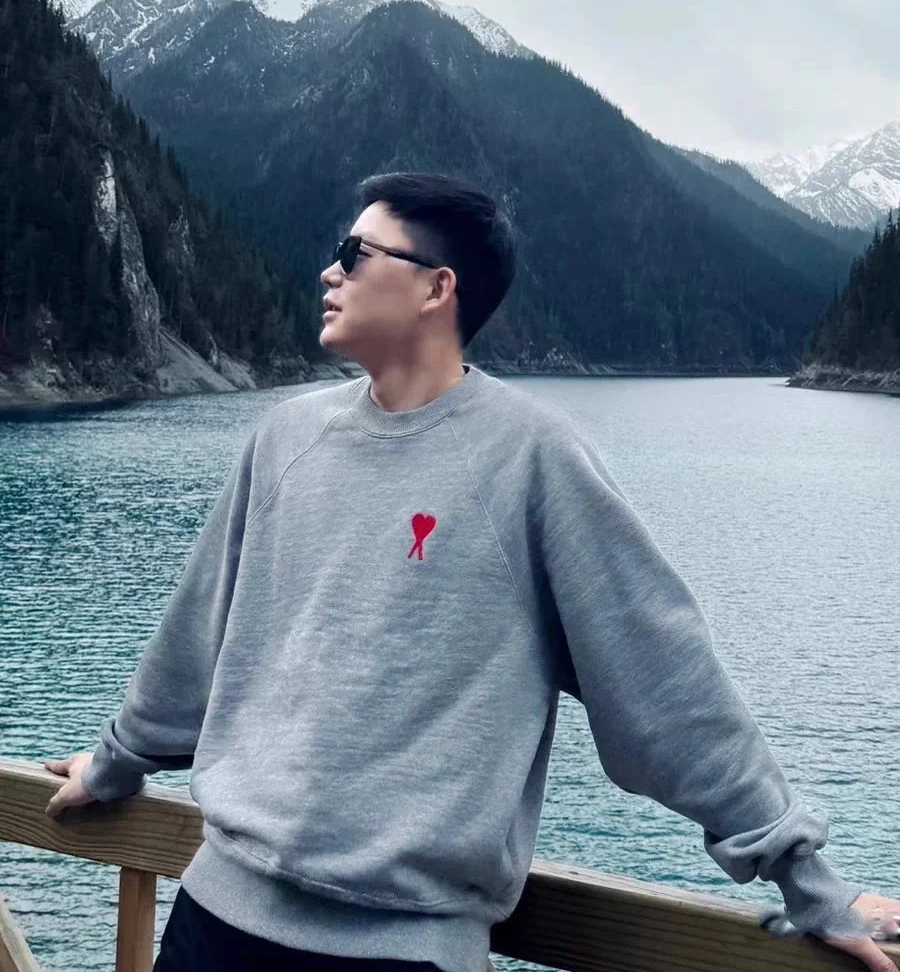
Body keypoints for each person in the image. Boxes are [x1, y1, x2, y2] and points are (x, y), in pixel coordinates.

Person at [45, 172, 898, 972]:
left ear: (435, 288)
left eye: (354, 254)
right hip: (213, 922)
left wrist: (807, 880)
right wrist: (114, 763)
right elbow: (196, 638)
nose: (328, 272)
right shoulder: (284, 439)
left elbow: (666, 688)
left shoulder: (531, 458)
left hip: (404, 952)